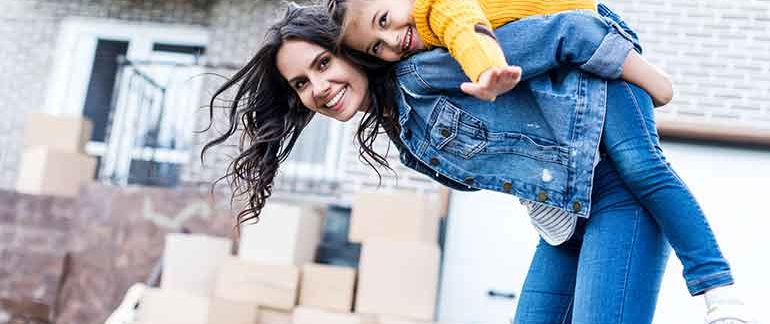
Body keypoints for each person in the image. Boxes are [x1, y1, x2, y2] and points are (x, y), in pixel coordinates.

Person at [202, 4, 747, 323]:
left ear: (352, 51)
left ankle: (720, 290)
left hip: (615, 191)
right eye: (301, 83)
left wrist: (649, 80)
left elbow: (562, 34)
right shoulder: (405, 130)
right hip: (564, 216)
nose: (318, 87)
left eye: (323, 63)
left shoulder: (433, 68)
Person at [327, 0, 673, 106]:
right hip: (571, 46)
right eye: (376, 47)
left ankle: (657, 83)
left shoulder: (434, 9)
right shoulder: (423, 43)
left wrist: (486, 71)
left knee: (641, 166)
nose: (391, 40)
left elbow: (466, 31)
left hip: (586, 22)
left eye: (384, 20)